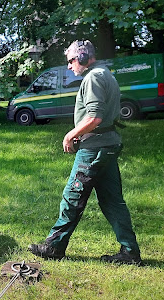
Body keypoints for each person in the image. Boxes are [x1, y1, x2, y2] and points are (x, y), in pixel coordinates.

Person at [29, 40, 142, 265]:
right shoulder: (105, 73)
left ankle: (54, 247)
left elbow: (94, 118)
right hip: (107, 145)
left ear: (81, 57)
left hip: (94, 149)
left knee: (73, 196)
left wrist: (70, 135)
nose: (69, 66)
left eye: (71, 61)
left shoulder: (93, 77)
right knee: (112, 201)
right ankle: (130, 252)